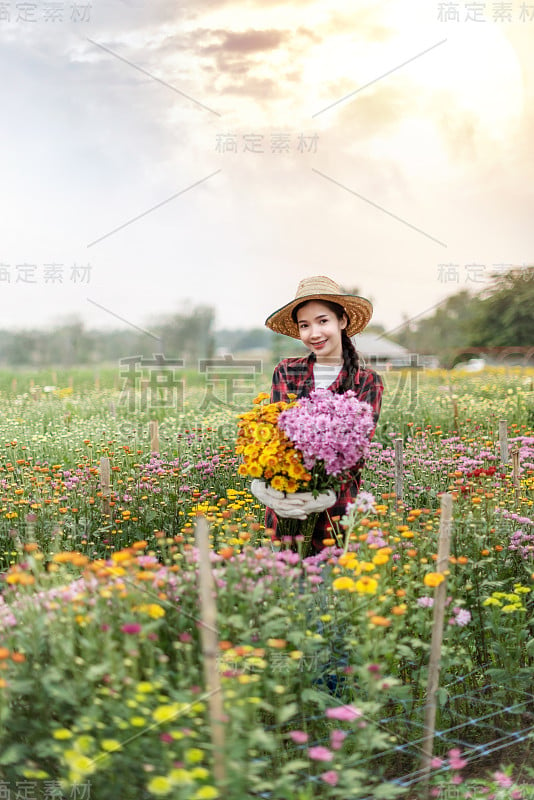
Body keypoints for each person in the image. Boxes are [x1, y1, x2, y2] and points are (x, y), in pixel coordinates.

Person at [251, 275, 384, 553]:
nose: (314, 333)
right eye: (305, 325)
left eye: (323, 321)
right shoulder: (287, 371)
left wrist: (319, 492)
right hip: (283, 511)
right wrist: (268, 486)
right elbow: (277, 438)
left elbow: (354, 452)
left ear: (342, 322)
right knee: (285, 593)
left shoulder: (366, 381)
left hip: (334, 514)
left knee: (327, 593)